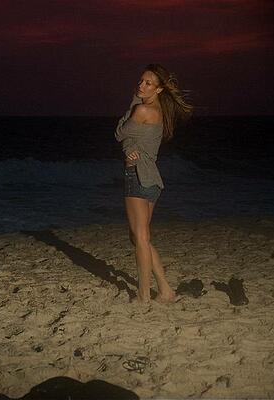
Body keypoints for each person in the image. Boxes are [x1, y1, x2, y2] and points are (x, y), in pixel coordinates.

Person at [115, 64, 192, 303]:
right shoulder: (158, 111)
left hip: (137, 176)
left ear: (158, 90)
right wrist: (130, 147)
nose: (141, 85)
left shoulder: (141, 110)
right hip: (152, 181)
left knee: (140, 238)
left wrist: (134, 101)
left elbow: (119, 133)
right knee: (140, 237)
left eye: (148, 83)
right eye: (140, 81)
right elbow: (132, 139)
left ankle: (143, 295)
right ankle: (166, 290)